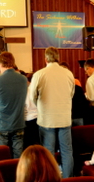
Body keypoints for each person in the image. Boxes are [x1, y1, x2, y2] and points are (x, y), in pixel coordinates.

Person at [29, 47, 74, 178]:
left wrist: (41, 106)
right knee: (66, 151)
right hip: (64, 117)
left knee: (48, 152)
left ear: (45, 59)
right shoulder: (68, 74)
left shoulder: (39, 74)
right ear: (58, 58)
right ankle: (68, 179)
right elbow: (71, 94)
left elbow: (32, 97)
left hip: (47, 118)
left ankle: (50, 178)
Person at [0, 52, 27, 159]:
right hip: (18, 123)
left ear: (0, 64)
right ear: (13, 63)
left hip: (0, 124)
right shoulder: (23, 79)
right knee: (18, 158)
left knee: (1, 157)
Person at [60, 62, 89, 126]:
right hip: (77, 116)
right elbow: (84, 104)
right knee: (79, 134)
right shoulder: (77, 88)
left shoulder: (58, 89)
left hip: (66, 117)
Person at [23, 73, 39, 148]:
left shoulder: (25, 90)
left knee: (28, 144)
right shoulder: (37, 89)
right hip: (37, 118)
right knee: (37, 143)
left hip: (27, 118)